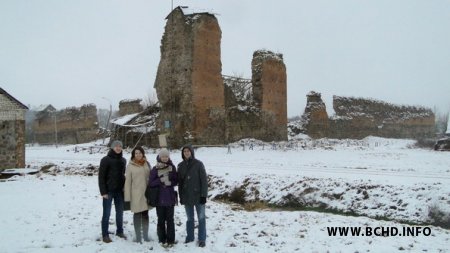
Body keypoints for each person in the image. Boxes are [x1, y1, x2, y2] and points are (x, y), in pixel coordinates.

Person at [177, 145, 208, 248]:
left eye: (188, 151)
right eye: (184, 151)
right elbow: (180, 183)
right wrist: (180, 196)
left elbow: (204, 181)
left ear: (191, 152)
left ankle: (202, 239)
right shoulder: (180, 166)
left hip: (198, 196)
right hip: (187, 196)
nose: (186, 153)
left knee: (201, 218)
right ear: (182, 153)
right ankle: (190, 237)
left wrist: (204, 195)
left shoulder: (199, 164)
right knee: (190, 218)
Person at [98, 140, 127, 243]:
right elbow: (101, 177)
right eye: (116, 146)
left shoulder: (123, 160)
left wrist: (125, 187)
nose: (118, 148)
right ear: (112, 147)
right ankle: (105, 234)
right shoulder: (105, 160)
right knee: (106, 213)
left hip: (119, 191)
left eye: (120, 146)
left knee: (120, 213)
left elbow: (123, 175)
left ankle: (120, 231)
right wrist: (103, 192)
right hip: (108, 191)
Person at [148, 148, 178, 248]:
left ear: (168, 157)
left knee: (170, 220)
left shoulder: (172, 167)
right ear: (160, 157)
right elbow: (151, 183)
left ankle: (171, 239)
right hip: (159, 198)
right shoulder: (155, 168)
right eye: (163, 156)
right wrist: (160, 180)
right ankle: (162, 239)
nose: (165, 158)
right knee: (160, 220)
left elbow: (176, 180)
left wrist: (170, 182)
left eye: (166, 156)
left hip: (170, 198)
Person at [124, 146, 151, 243]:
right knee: (137, 215)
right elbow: (127, 182)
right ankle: (138, 236)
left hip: (146, 193)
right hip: (135, 194)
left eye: (140, 153)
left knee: (145, 214)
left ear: (143, 154)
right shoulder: (130, 166)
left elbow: (151, 178)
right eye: (136, 153)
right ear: (133, 155)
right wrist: (127, 197)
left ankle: (146, 235)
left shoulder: (147, 164)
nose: (138, 155)